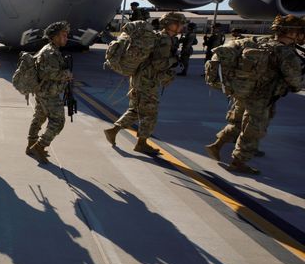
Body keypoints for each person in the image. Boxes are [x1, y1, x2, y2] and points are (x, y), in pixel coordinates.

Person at [205, 15, 304, 174]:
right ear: (291, 33)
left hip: (243, 90)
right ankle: (239, 161)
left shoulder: (259, 42)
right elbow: (296, 82)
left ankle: (217, 145)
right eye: (299, 32)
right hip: (262, 97)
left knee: (238, 123)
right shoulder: (286, 53)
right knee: (254, 129)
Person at [103, 12, 186, 154]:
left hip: (139, 79)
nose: (182, 27)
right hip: (148, 82)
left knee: (135, 110)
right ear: (172, 24)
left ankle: (113, 130)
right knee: (150, 114)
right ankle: (141, 144)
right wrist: (174, 61)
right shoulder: (165, 40)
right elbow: (158, 64)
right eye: (180, 24)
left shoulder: (159, 37)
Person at [26, 21, 73, 163]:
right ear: (55, 37)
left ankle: (31, 145)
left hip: (43, 91)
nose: (66, 38)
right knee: (58, 122)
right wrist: (67, 75)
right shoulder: (50, 52)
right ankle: (39, 146)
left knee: (39, 118)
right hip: (49, 93)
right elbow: (48, 73)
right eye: (63, 35)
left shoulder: (51, 50)